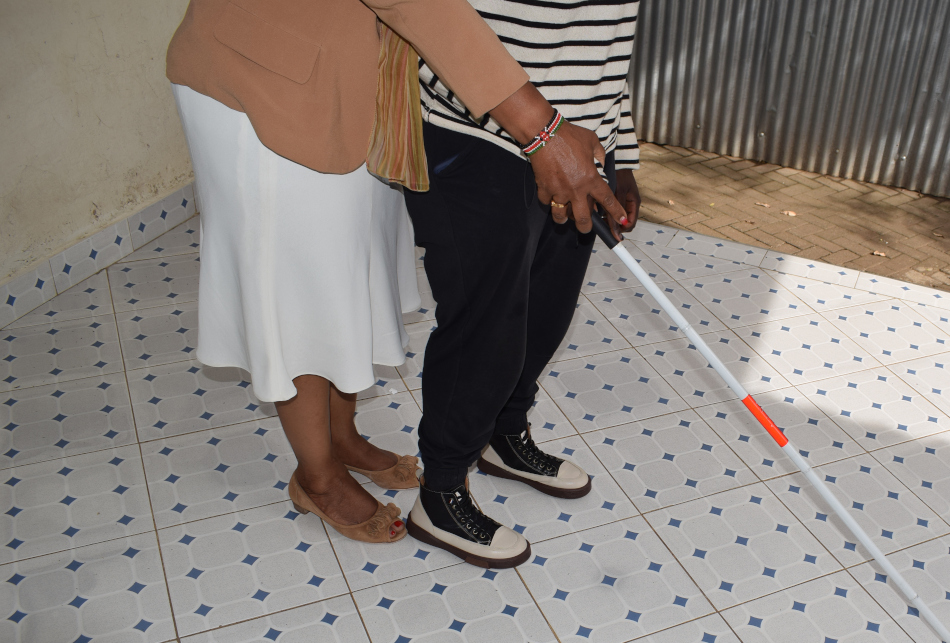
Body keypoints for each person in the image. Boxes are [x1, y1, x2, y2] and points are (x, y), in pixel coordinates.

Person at [164, 0, 626, 544]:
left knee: (343, 269)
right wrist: (541, 131)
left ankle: (342, 437)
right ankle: (318, 475)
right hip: (265, 75)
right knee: (293, 283)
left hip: (364, 78)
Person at [402, 1, 643, 567]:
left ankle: (504, 435)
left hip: (580, 154)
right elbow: (434, 20)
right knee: (487, 326)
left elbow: (605, 42)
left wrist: (621, 155)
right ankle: (440, 490)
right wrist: (544, 136)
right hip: (479, 138)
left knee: (547, 309)